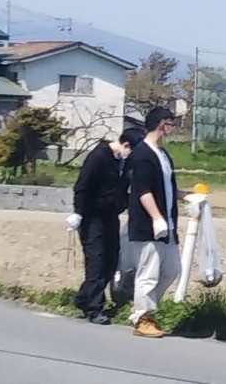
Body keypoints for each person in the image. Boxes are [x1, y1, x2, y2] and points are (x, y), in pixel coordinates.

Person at [67, 128, 145, 325]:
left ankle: (83, 298)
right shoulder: (99, 157)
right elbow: (82, 186)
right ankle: (95, 309)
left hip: (111, 217)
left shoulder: (123, 162)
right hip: (92, 217)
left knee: (111, 262)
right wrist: (78, 212)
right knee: (97, 262)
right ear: (125, 145)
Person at [126, 107, 189, 338]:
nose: (173, 127)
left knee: (172, 269)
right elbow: (142, 191)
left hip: (167, 225)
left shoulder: (163, 154)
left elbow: (167, 188)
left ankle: (144, 307)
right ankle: (143, 317)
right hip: (148, 226)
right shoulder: (142, 154)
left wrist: (187, 195)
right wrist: (156, 218)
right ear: (162, 124)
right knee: (148, 272)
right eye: (171, 123)